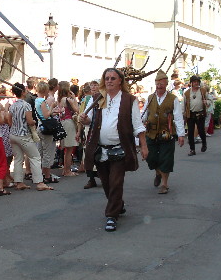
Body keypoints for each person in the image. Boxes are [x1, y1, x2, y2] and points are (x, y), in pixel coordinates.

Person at [81, 68, 148, 232]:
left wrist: (143, 145)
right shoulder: (97, 98)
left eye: (113, 78)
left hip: (119, 149)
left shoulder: (129, 100)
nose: (109, 81)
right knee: (106, 182)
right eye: (107, 78)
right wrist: (84, 119)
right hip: (100, 148)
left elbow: (137, 125)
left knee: (116, 181)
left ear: (120, 81)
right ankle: (119, 204)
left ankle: (111, 216)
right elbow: (90, 120)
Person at [142, 70, 185, 194]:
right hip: (151, 132)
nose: (159, 85)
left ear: (166, 84)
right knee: (151, 157)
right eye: (157, 83)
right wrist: (140, 126)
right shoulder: (150, 98)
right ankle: (158, 172)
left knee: (166, 159)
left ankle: (164, 184)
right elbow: (144, 114)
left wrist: (181, 134)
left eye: (162, 83)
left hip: (167, 133)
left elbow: (177, 117)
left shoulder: (173, 99)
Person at [8, 83, 53, 191]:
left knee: (18, 159)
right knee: (35, 157)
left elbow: (9, 120)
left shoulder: (12, 105)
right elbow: (29, 121)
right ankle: (39, 182)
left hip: (13, 134)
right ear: (23, 92)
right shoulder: (26, 105)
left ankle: (18, 182)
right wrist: (33, 121)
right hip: (24, 135)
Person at [57, 81, 79, 176]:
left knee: (66, 149)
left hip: (62, 122)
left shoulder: (59, 99)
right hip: (69, 122)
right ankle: (67, 171)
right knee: (69, 149)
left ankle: (65, 169)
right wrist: (74, 98)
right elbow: (77, 110)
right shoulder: (67, 99)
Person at [183, 75, 208, 156]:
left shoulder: (203, 91)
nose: (196, 83)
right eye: (194, 82)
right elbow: (183, 104)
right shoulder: (187, 93)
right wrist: (183, 113)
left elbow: (209, 100)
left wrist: (207, 102)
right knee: (190, 132)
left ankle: (204, 143)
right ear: (191, 83)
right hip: (190, 114)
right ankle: (192, 149)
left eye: (197, 82)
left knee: (201, 130)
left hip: (200, 114)